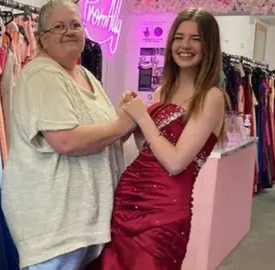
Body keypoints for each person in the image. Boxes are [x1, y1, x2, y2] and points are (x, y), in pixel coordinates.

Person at [88, 8, 230, 270]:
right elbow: (150, 150)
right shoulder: (164, 90)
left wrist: (143, 118)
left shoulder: (212, 97)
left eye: (195, 39)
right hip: (128, 200)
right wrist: (134, 115)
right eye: (178, 37)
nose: (185, 46)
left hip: (165, 212)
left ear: (209, 45)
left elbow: (176, 162)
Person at [1, 0, 135, 269]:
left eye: (75, 24)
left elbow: (105, 138)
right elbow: (66, 140)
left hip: (81, 225)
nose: (69, 31)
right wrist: (126, 121)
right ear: (41, 38)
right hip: (54, 226)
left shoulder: (85, 74)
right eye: (59, 26)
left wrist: (131, 119)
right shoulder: (41, 74)